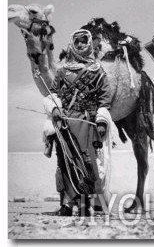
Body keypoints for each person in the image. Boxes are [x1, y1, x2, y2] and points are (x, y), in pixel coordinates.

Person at [43, 29, 113, 216]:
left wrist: (101, 121)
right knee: (65, 161)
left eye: (84, 41)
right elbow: (53, 93)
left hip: (86, 122)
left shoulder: (97, 71)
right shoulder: (62, 71)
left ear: (89, 43)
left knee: (86, 162)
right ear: (73, 44)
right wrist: (55, 108)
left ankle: (84, 203)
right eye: (77, 41)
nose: (81, 44)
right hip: (64, 122)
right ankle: (66, 203)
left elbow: (104, 98)